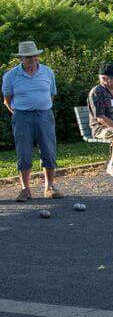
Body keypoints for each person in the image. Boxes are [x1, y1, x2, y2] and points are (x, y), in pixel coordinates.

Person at [3, 41, 61, 201]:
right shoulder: (10, 75)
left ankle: (49, 187)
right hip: (22, 116)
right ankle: (25, 189)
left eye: (34, 56)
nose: (32, 59)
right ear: (21, 58)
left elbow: (51, 95)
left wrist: (41, 107)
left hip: (45, 115)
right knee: (24, 152)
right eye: (28, 57)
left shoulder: (48, 72)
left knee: (49, 150)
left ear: (37, 56)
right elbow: (7, 100)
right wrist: (20, 113)